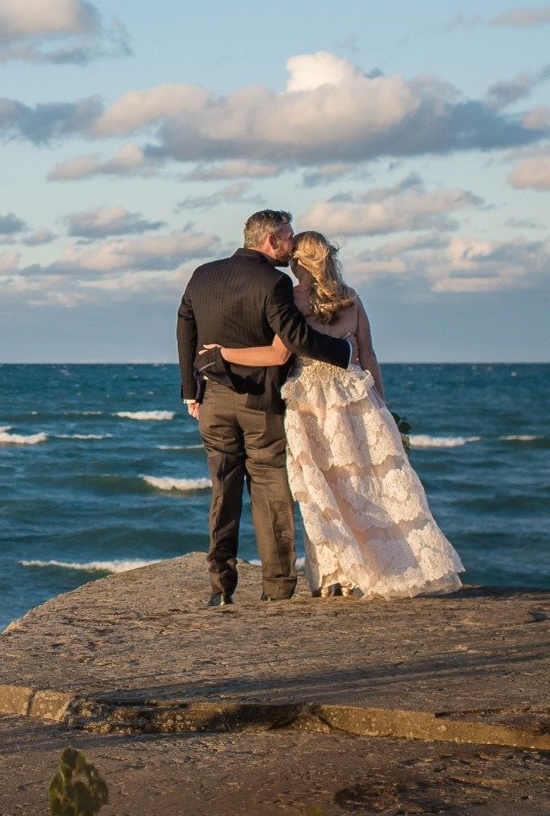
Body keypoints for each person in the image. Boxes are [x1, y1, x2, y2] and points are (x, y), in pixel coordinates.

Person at [216, 230, 462, 600]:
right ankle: (379, 571)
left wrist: (224, 353)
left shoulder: (292, 300)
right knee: (364, 486)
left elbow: (277, 354)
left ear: (297, 262)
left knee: (321, 492)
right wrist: (383, 406)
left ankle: (335, 576)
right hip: (355, 399)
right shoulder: (350, 297)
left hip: (310, 403)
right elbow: (368, 354)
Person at [177, 209, 352, 607]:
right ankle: (276, 589)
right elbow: (295, 337)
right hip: (261, 401)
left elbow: (184, 325)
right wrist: (345, 351)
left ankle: (220, 588)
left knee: (223, 491)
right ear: (270, 240)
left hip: (214, 400)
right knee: (272, 492)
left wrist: (191, 389)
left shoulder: (202, 274)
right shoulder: (274, 282)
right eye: (288, 237)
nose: (292, 246)